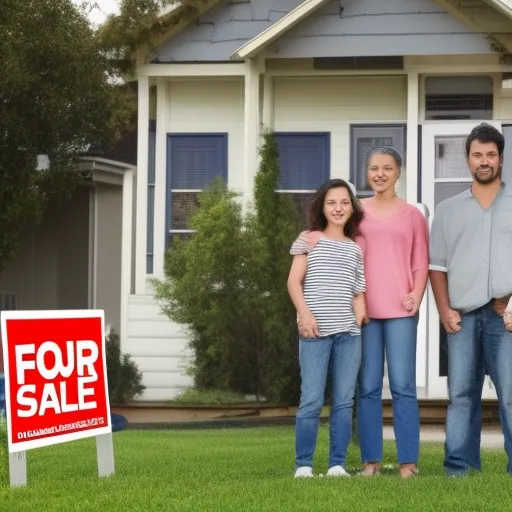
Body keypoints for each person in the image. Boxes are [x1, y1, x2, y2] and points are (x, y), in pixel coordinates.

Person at [429, 122, 512, 477]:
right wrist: (444, 309)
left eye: (491, 155)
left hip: (505, 316)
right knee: (461, 394)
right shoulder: (447, 211)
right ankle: (459, 468)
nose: (484, 161)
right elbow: (437, 266)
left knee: (510, 395)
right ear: (467, 159)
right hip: (461, 317)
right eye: (477, 154)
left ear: (501, 159)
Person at [355, 147, 429, 479]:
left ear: (399, 171)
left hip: (401, 310)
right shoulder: (356, 212)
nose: (380, 174)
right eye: (374, 168)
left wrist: (416, 293)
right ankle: (370, 460)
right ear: (367, 172)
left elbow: (420, 261)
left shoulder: (413, 215)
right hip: (365, 311)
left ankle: (408, 462)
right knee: (368, 386)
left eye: (387, 168)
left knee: (403, 386)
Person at [287, 178, 366, 478]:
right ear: (322, 206)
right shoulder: (308, 239)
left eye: (345, 202)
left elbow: (358, 290)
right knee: (311, 400)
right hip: (315, 334)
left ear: (352, 208)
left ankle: (337, 465)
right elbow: (293, 282)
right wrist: (304, 315)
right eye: (332, 202)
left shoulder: (355, 248)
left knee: (344, 402)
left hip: (348, 337)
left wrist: (358, 318)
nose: (338, 208)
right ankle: (304, 465)